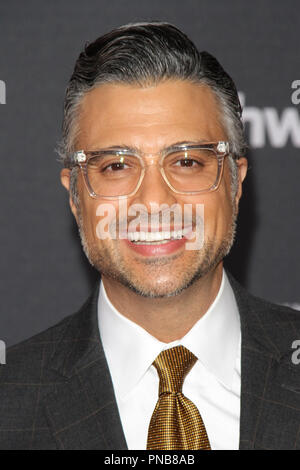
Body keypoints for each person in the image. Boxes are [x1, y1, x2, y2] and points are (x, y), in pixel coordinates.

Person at [1, 22, 300, 451]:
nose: (154, 202)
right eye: (117, 166)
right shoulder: (9, 404)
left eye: (187, 162)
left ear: (235, 184)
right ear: (74, 195)